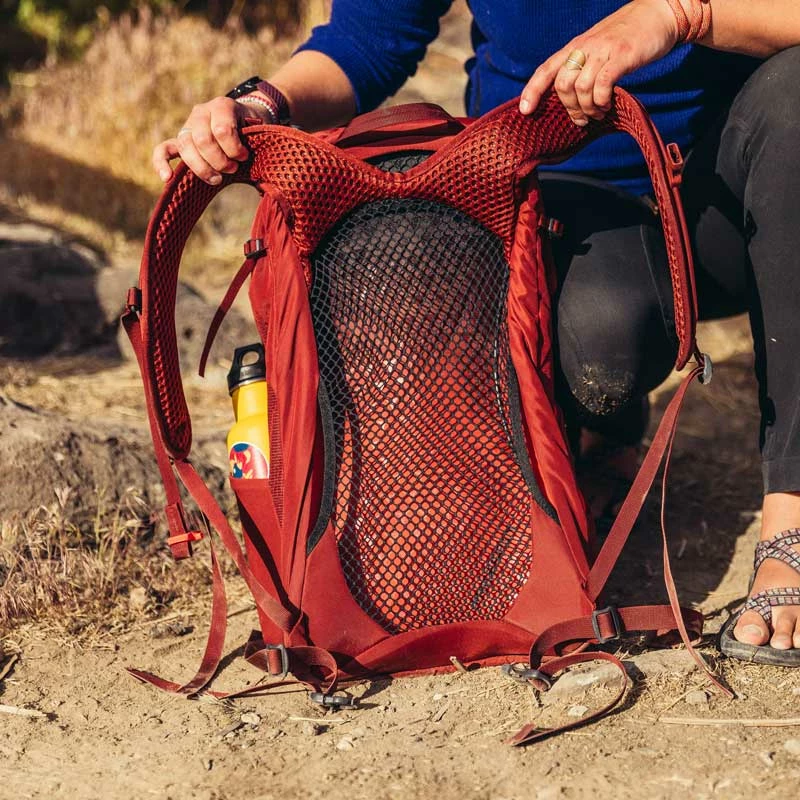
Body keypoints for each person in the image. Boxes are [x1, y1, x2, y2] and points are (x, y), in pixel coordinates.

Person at [152, 0, 800, 663]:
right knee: (601, 356)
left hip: (732, 186)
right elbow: (366, 39)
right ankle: (598, 433)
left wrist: (679, 15)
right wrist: (258, 104)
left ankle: (792, 522)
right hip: (560, 187)